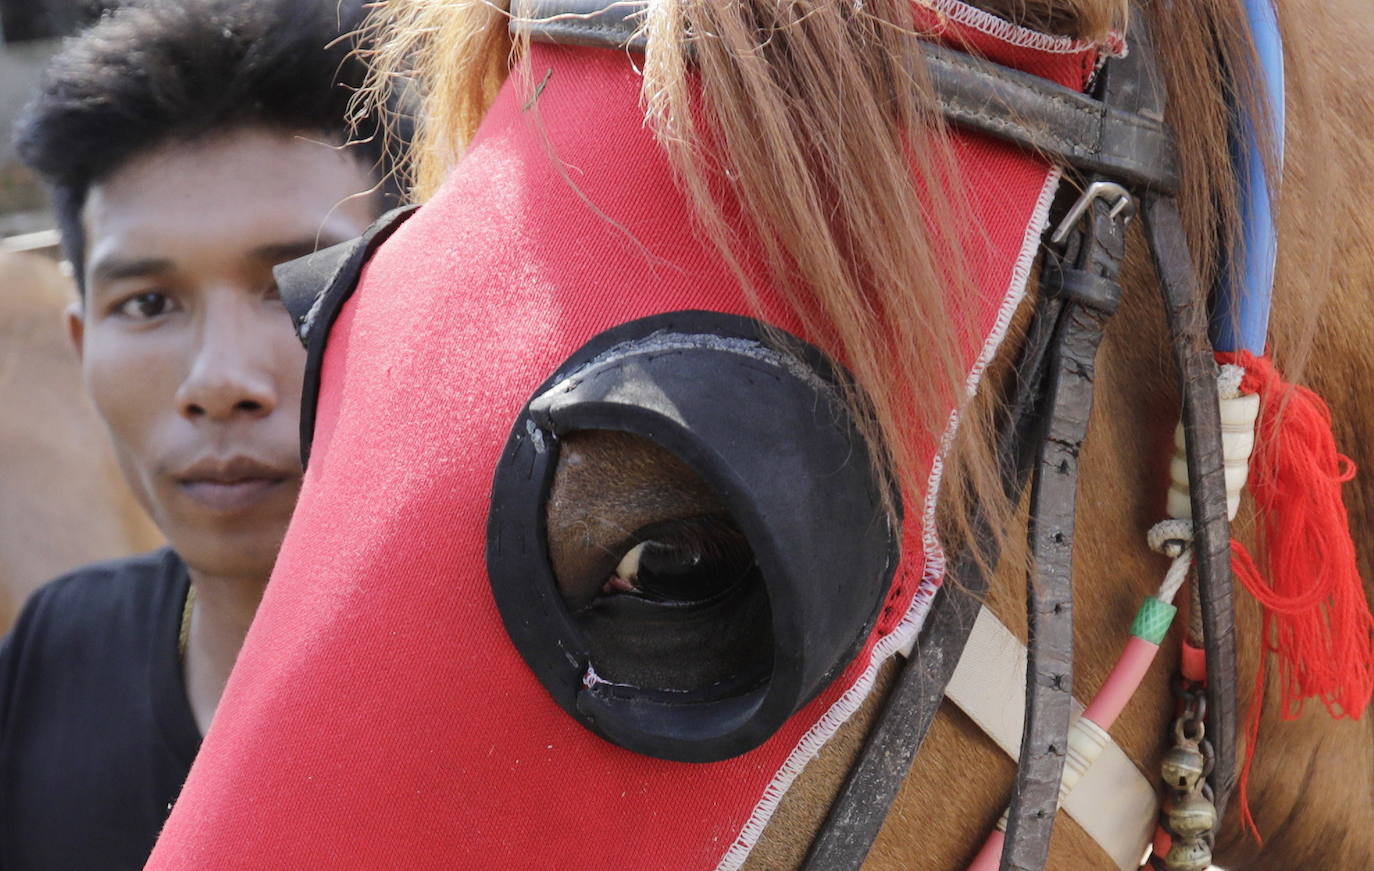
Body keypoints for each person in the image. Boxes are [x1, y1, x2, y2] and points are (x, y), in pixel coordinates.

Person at [0, 1, 399, 867]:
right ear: (81, 343)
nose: (219, 380)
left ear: (422, 300)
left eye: (297, 281)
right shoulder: (53, 655)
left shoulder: (568, 691)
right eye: (147, 304)